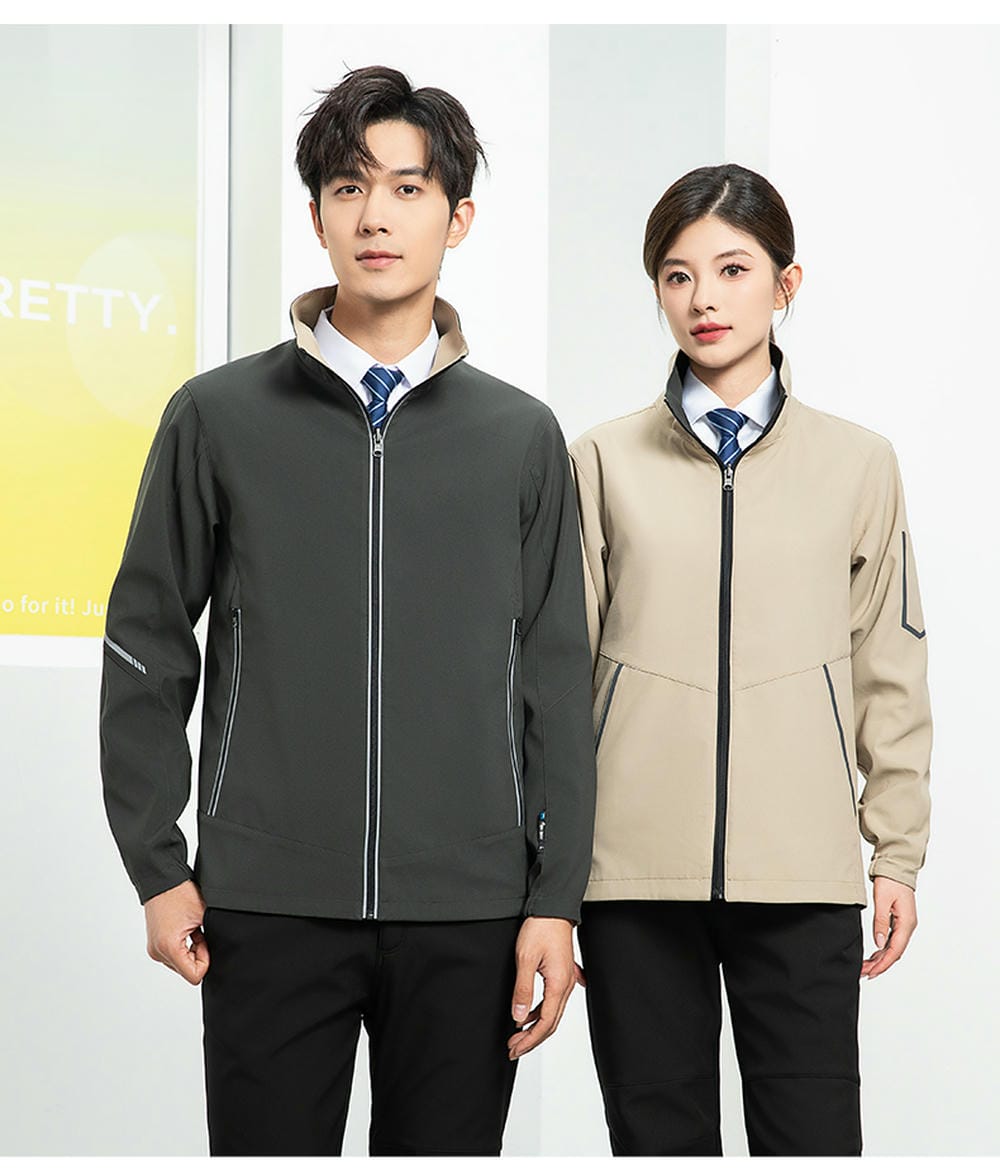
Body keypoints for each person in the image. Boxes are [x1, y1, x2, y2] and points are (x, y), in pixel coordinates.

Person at [99, 64, 596, 1157]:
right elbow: (146, 641)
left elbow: (557, 678)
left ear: (458, 218)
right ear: (318, 214)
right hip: (267, 902)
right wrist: (158, 865)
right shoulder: (218, 415)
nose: (376, 216)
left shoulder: (520, 438)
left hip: (469, 911)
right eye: (347, 187)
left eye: (408, 189)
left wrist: (554, 899)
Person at [568, 163, 931, 1156]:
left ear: (785, 284)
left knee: (812, 1141)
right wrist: (551, 877)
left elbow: (889, 667)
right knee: (657, 1143)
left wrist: (895, 852)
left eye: (733, 269)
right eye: (677, 275)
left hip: (802, 876)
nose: (704, 299)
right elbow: (557, 677)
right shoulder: (599, 461)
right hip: (632, 881)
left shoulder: (858, 464)